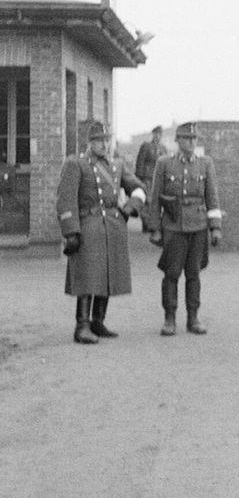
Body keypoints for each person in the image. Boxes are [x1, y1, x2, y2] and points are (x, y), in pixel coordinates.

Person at [56, 121, 147, 344]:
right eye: (99, 140)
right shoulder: (76, 164)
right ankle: (82, 326)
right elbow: (65, 199)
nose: (104, 145)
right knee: (88, 275)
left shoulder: (118, 165)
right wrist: (71, 232)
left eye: (107, 140)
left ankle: (98, 321)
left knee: (108, 273)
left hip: (113, 226)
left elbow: (138, 188)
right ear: (90, 142)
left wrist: (130, 208)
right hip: (88, 225)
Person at [147, 122, 222, 336]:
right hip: (173, 225)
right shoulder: (164, 163)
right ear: (177, 141)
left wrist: (215, 227)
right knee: (171, 274)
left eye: (194, 139)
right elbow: (155, 199)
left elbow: (212, 196)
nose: (191, 142)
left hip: (198, 226)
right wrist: (155, 229)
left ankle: (193, 317)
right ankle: (169, 318)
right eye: (186, 138)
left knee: (194, 274)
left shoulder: (205, 164)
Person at [134, 125, 168, 234]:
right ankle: (146, 224)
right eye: (156, 134)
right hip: (147, 179)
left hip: (159, 180)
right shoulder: (146, 146)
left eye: (160, 134)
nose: (158, 136)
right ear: (153, 134)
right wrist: (139, 179)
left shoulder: (163, 149)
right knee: (147, 202)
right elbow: (140, 162)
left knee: (157, 202)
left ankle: (154, 224)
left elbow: (166, 165)